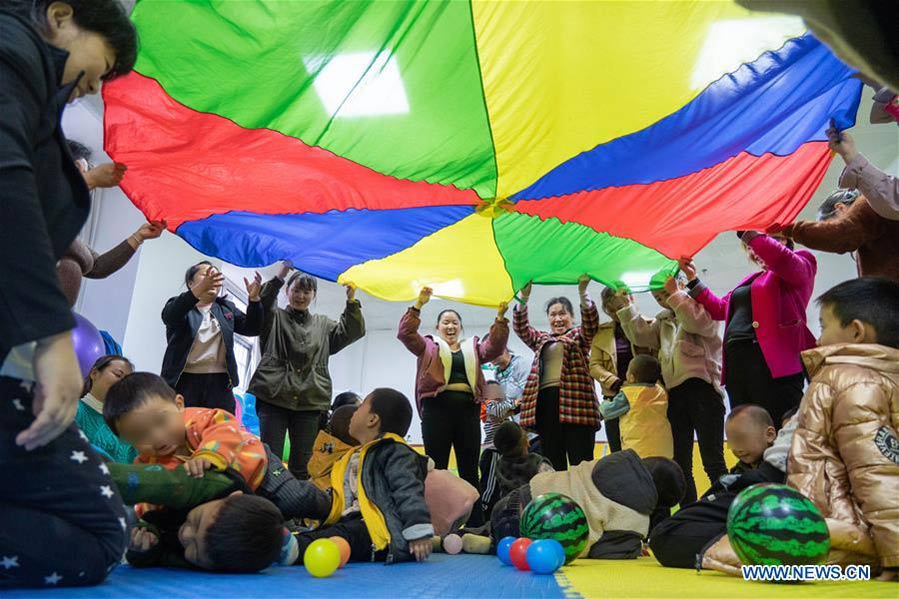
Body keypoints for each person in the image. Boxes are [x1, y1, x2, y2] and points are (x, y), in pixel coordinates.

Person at [0, 0, 137, 588]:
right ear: (60, 15)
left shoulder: (32, 84)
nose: (93, 87)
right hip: (26, 338)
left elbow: (93, 262)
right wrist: (51, 338)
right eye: (101, 67)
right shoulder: (11, 50)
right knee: (102, 535)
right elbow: (8, 181)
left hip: (17, 343)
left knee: (103, 531)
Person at [103, 372, 332, 522]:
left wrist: (208, 455)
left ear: (179, 405)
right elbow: (149, 495)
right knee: (266, 522)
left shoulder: (198, 419)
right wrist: (148, 527)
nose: (157, 437)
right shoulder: (147, 465)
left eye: (162, 421)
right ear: (126, 440)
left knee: (295, 500)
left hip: (260, 469)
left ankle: (332, 505)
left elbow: (224, 429)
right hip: (235, 498)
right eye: (141, 435)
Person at [788, 278, 899, 580]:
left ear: (856, 331)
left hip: (845, 533)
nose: (818, 340)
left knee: (694, 539)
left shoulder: (850, 378)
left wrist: (894, 558)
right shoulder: (879, 378)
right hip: (859, 528)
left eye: (823, 326)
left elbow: (877, 469)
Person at [682, 231, 817, 427]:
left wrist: (747, 230)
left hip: (771, 363)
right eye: (749, 248)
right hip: (738, 364)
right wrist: (693, 279)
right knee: (749, 427)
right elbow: (720, 308)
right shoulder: (751, 280)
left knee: (778, 424)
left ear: (785, 240)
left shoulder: (802, 263)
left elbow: (779, 256)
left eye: (756, 244)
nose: (754, 251)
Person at [397, 286, 509, 522]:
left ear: (460, 328)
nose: (450, 326)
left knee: (469, 468)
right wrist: (418, 304)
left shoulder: (474, 349)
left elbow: (496, 346)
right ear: (437, 327)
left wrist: (499, 318)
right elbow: (406, 333)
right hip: (436, 410)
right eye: (445, 322)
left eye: (455, 323)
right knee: (435, 469)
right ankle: (432, 521)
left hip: (467, 411)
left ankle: (476, 523)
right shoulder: (428, 347)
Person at [614, 277, 726, 505]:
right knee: (681, 461)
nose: (663, 302)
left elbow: (697, 324)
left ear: (679, 288)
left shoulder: (703, 311)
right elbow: (640, 336)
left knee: (712, 458)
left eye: (665, 295)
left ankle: (725, 507)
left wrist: (676, 296)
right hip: (675, 395)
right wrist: (628, 306)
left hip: (703, 390)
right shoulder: (663, 322)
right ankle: (689, 511)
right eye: (657, 298)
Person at [292, 388, 435, 565]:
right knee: (332, 531)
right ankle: (290, 542)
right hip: (351, 521)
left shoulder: (394, 450)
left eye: (360, 408)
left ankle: (292, 548)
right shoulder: (353, 454)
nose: (353, 412)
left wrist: (418, 530)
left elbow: (407, 488)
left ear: (372, 419)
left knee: (346, 534)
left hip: (379, 532)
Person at [250, 262, 365, 481]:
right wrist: (281, 274)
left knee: (303, 465)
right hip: (272, 395)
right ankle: (271, 511)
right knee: (271, 460)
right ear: (287, 291)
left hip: (310, 400)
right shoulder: (273, 318)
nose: (300, 296)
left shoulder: (323, 325)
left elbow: (352, 331)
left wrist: (351, 301)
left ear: (313, 295)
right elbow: (262, 305)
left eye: (306, 291)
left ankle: (299, 512)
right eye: (296, 290)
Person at [651, 405, 789, 570]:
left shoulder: (774, 470)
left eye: (742, 438)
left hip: (760, 517)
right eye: (731, 442)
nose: (737, 447)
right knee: (665, 533)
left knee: (665, 535)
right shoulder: (740, 471)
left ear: (770, 434)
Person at [482, 450, 685, 559]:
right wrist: (632, 547)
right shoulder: (635, 519)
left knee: (494, 529)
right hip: (531, 529)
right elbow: (605, 551)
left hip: (520, 496)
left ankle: (479, 534)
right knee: (511, 540)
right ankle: (488, 542)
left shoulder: (616, 461)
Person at [57, 140, 165, 306]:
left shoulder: (66, 227)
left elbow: (99, 266)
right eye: (81, 172)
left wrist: (139, 236)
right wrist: (89, 180)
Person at [515, 276, 600, 470]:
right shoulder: (541, 339)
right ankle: (559, 499)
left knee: (582, 465)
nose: (558, 318)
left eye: (563, 313)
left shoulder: (579, 336)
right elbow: (521, 328)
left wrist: (583, 293)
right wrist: (523, 298)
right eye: (553, 314)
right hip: (546, 406)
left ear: (572, 317)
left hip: (578, 406)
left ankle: (584, 500)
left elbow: (591, 324)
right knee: (553, 463)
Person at [161, 261, 263, 414]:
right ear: (190, 282)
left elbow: (252, 328)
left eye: (216, 276)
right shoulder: (180, 306)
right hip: (183, 381)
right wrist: (197, 291)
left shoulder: (227, 308)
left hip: (220, 384)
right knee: (182, 430)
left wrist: (254, 301)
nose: (212, 279)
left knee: (220, 431)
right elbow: (169, 317)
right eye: (206, 275)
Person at [776, 188, 899, 283]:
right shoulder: (867, 233)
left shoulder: (868, 203)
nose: (826, 232)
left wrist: (785, 230)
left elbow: (839, 234)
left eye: (828, 225)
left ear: (840, 207)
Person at [591, 287, 655, 453]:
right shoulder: (601, 332)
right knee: (618, 452)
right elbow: (594, 365)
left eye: (618, 308)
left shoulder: (649, 325)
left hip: (643, 398)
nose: (614, 313)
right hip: (614, 396)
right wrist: (615, 382)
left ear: (630, 301)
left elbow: (656, 362)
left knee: (644, 448)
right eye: (610, 310)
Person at [75, 354, 136, 463]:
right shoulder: (72, 410)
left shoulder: (127, 429)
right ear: (94, 373)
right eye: (118, 375)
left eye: (128, 381)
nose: (123, 383)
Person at [614, 355, 673, 461]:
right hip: (664, 449)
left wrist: (604, 405)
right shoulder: (661, 391)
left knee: (641, 477)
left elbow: (607, 411)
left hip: (638, 450)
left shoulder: (628, 395)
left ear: (631, 377)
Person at [493, 421, 553, 500]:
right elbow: (554, 488)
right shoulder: (538, 464)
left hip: (509, 508)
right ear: (527, 443)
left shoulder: (499, 465)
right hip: (538, 507)